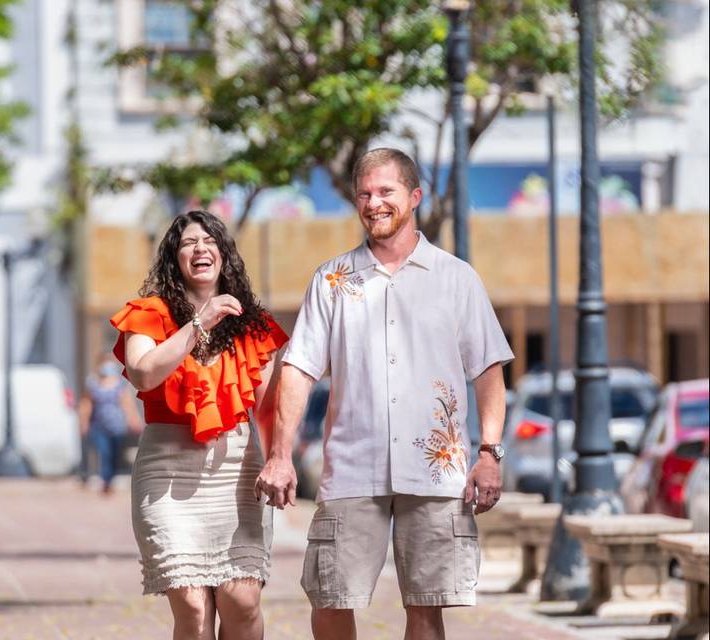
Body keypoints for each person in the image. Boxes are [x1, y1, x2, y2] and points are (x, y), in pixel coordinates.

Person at [255, 148, 514, 640]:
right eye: (364, 194)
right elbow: (298, 370)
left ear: (414, 197)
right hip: (353, 468)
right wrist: (281, 455)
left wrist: (489, 453)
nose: (374, 203)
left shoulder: (456, 279)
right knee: (330, 599)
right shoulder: (331, 280)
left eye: (386, 191)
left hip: (437, 472)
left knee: (426, 607)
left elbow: (487, 371)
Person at [111, 210, 288, 640]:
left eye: (210, 241)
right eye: (189, 242)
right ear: (174, 257)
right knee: (192, 607)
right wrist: (199, 323)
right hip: (167, 471)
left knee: (242, 602)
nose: (200, 248)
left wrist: (282, 458)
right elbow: (144, 373)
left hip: (237, 471)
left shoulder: (252, 323)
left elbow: (270, 407)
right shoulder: (148, 314)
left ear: (224, 255)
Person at [78, 353, 142, 494]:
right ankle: (105, 481)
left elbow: (127, 403)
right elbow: (86, 403)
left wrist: (134, 420)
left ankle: (109, 479)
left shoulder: (120, 384)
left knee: (114, 455)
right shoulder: (93, 383)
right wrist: (83, 422)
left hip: (117, 426)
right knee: (104, 453)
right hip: (99, 426)